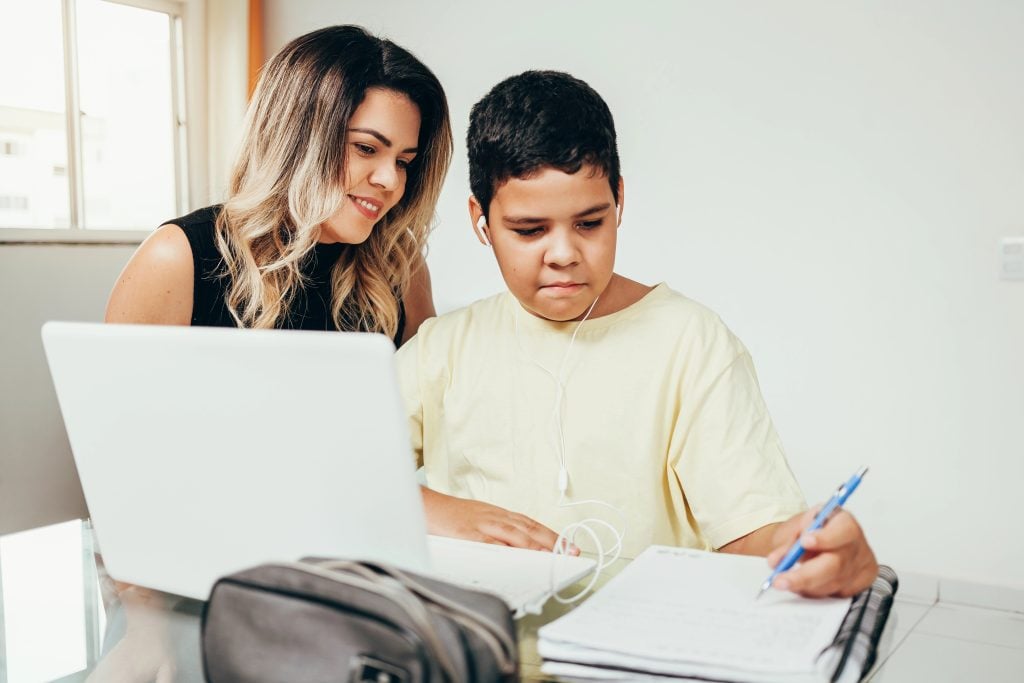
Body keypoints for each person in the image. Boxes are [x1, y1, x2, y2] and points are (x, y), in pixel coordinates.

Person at [397, 70, 878, 597]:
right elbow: (333, 473)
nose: (563, 254)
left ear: (619, 200)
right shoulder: (443, 348)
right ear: (481, 220)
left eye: (589, 223)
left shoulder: (690, 343)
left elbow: (753, 533)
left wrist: (810, 550)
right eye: (529, 230)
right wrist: (436, 510)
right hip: (479, 634)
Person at [106, 25, 453, 347]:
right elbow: (113, 394)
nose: (390, 180)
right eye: (365, 148)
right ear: (297, 141)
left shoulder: (399, 268)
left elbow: (422, 394)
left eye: (403, 162)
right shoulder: (176, 257)